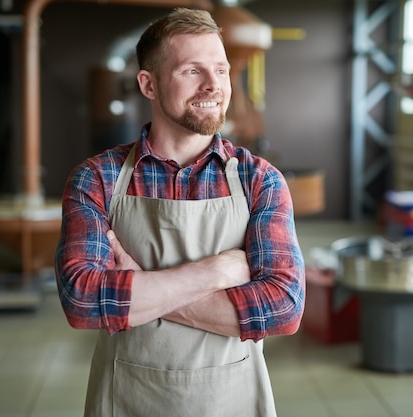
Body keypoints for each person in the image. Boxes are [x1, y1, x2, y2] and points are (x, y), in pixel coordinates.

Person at [54, 7, 305, 417]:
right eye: (192, 71)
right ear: (148, 84)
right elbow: (82, 302)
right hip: (126, 400)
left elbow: (282, 309)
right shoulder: (96, 178)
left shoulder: (260, 180)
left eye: (221, 70)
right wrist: (217, 273)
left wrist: (137, 291)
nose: (214, 85)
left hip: (233, 402)